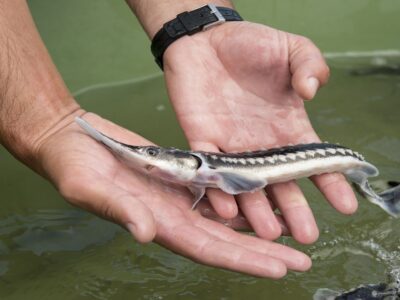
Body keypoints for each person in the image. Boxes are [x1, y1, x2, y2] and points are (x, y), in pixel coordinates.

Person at [0, 0, 358, 278]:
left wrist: (192, 25)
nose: (150, 159)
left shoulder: (203, 171)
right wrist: (45, 122)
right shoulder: (198, 175)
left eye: (155, 154)